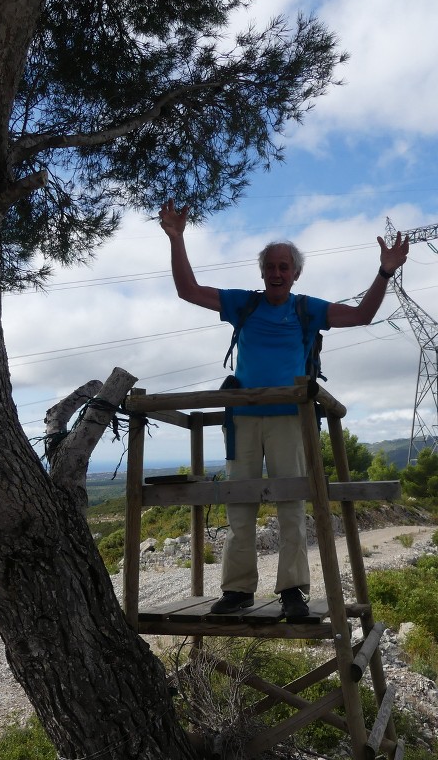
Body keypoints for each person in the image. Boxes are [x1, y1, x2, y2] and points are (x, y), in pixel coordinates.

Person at [158, 198, 409, 619]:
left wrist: (385, 272)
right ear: (262, 273)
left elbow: (363, 315)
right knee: (240, 505)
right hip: (242, 421)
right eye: (270, 267)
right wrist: (177, 238)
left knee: (291, 507)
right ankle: (237, 592)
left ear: (295, 273)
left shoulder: (305, 309)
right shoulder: (244, 304)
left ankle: (293, 591)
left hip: (290, 422)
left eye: (284, 267)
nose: (276, 273)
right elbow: (188, 290)